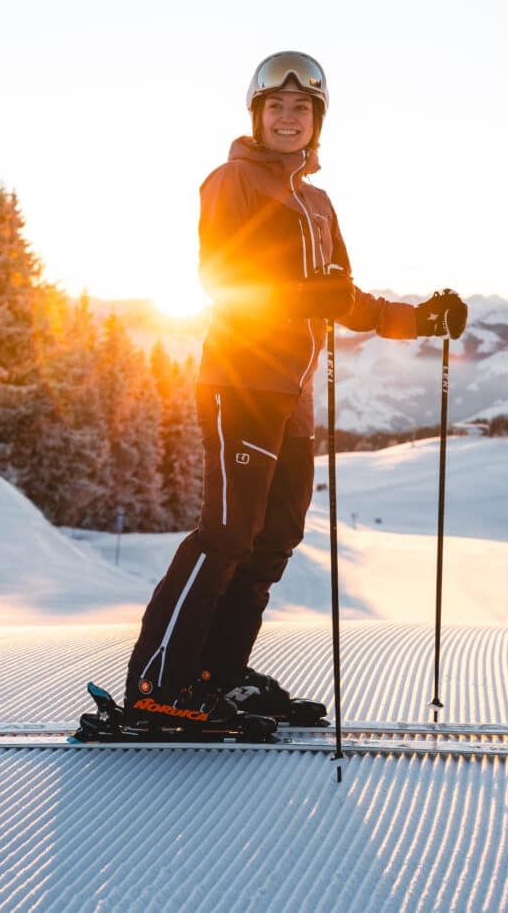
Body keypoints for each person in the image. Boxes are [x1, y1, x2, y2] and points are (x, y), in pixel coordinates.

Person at [123, 50, 467, 732]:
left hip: (294, 395)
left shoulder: (317, 203)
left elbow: (343, 298)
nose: (288, 117)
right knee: (226, 535)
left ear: (317, 120)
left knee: (273, 539)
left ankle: (218, 675)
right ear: (256, 115)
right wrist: (298, 294)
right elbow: (221, 279)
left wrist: (418, 320)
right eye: (275, 106)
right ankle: (158, 686)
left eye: (301, 107)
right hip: (241, 381)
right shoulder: (232, 181)